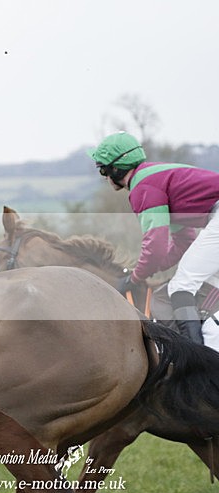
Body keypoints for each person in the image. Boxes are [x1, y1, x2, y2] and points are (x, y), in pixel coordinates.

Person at [88, 131, 219, 347]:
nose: (103, 176)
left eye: (102, 169)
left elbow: (155, 246)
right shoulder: (156, 178)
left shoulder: (143, 187)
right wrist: (149, 269)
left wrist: (136, 277)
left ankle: (196, 362)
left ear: (114, 169)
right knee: (206, 289)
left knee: (181, 285)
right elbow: (182, 242)